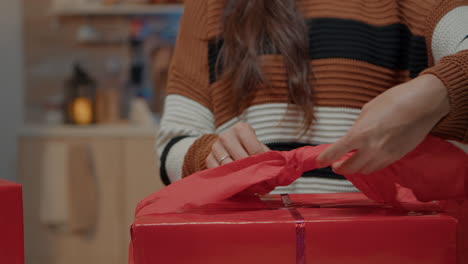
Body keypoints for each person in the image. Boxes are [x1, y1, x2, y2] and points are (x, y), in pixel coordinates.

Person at [157, 0, 468, 194]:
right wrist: (210, 154)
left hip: (386, 246)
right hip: (251, 246)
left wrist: (437, 91)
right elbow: (172, 145)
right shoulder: (211, 5)